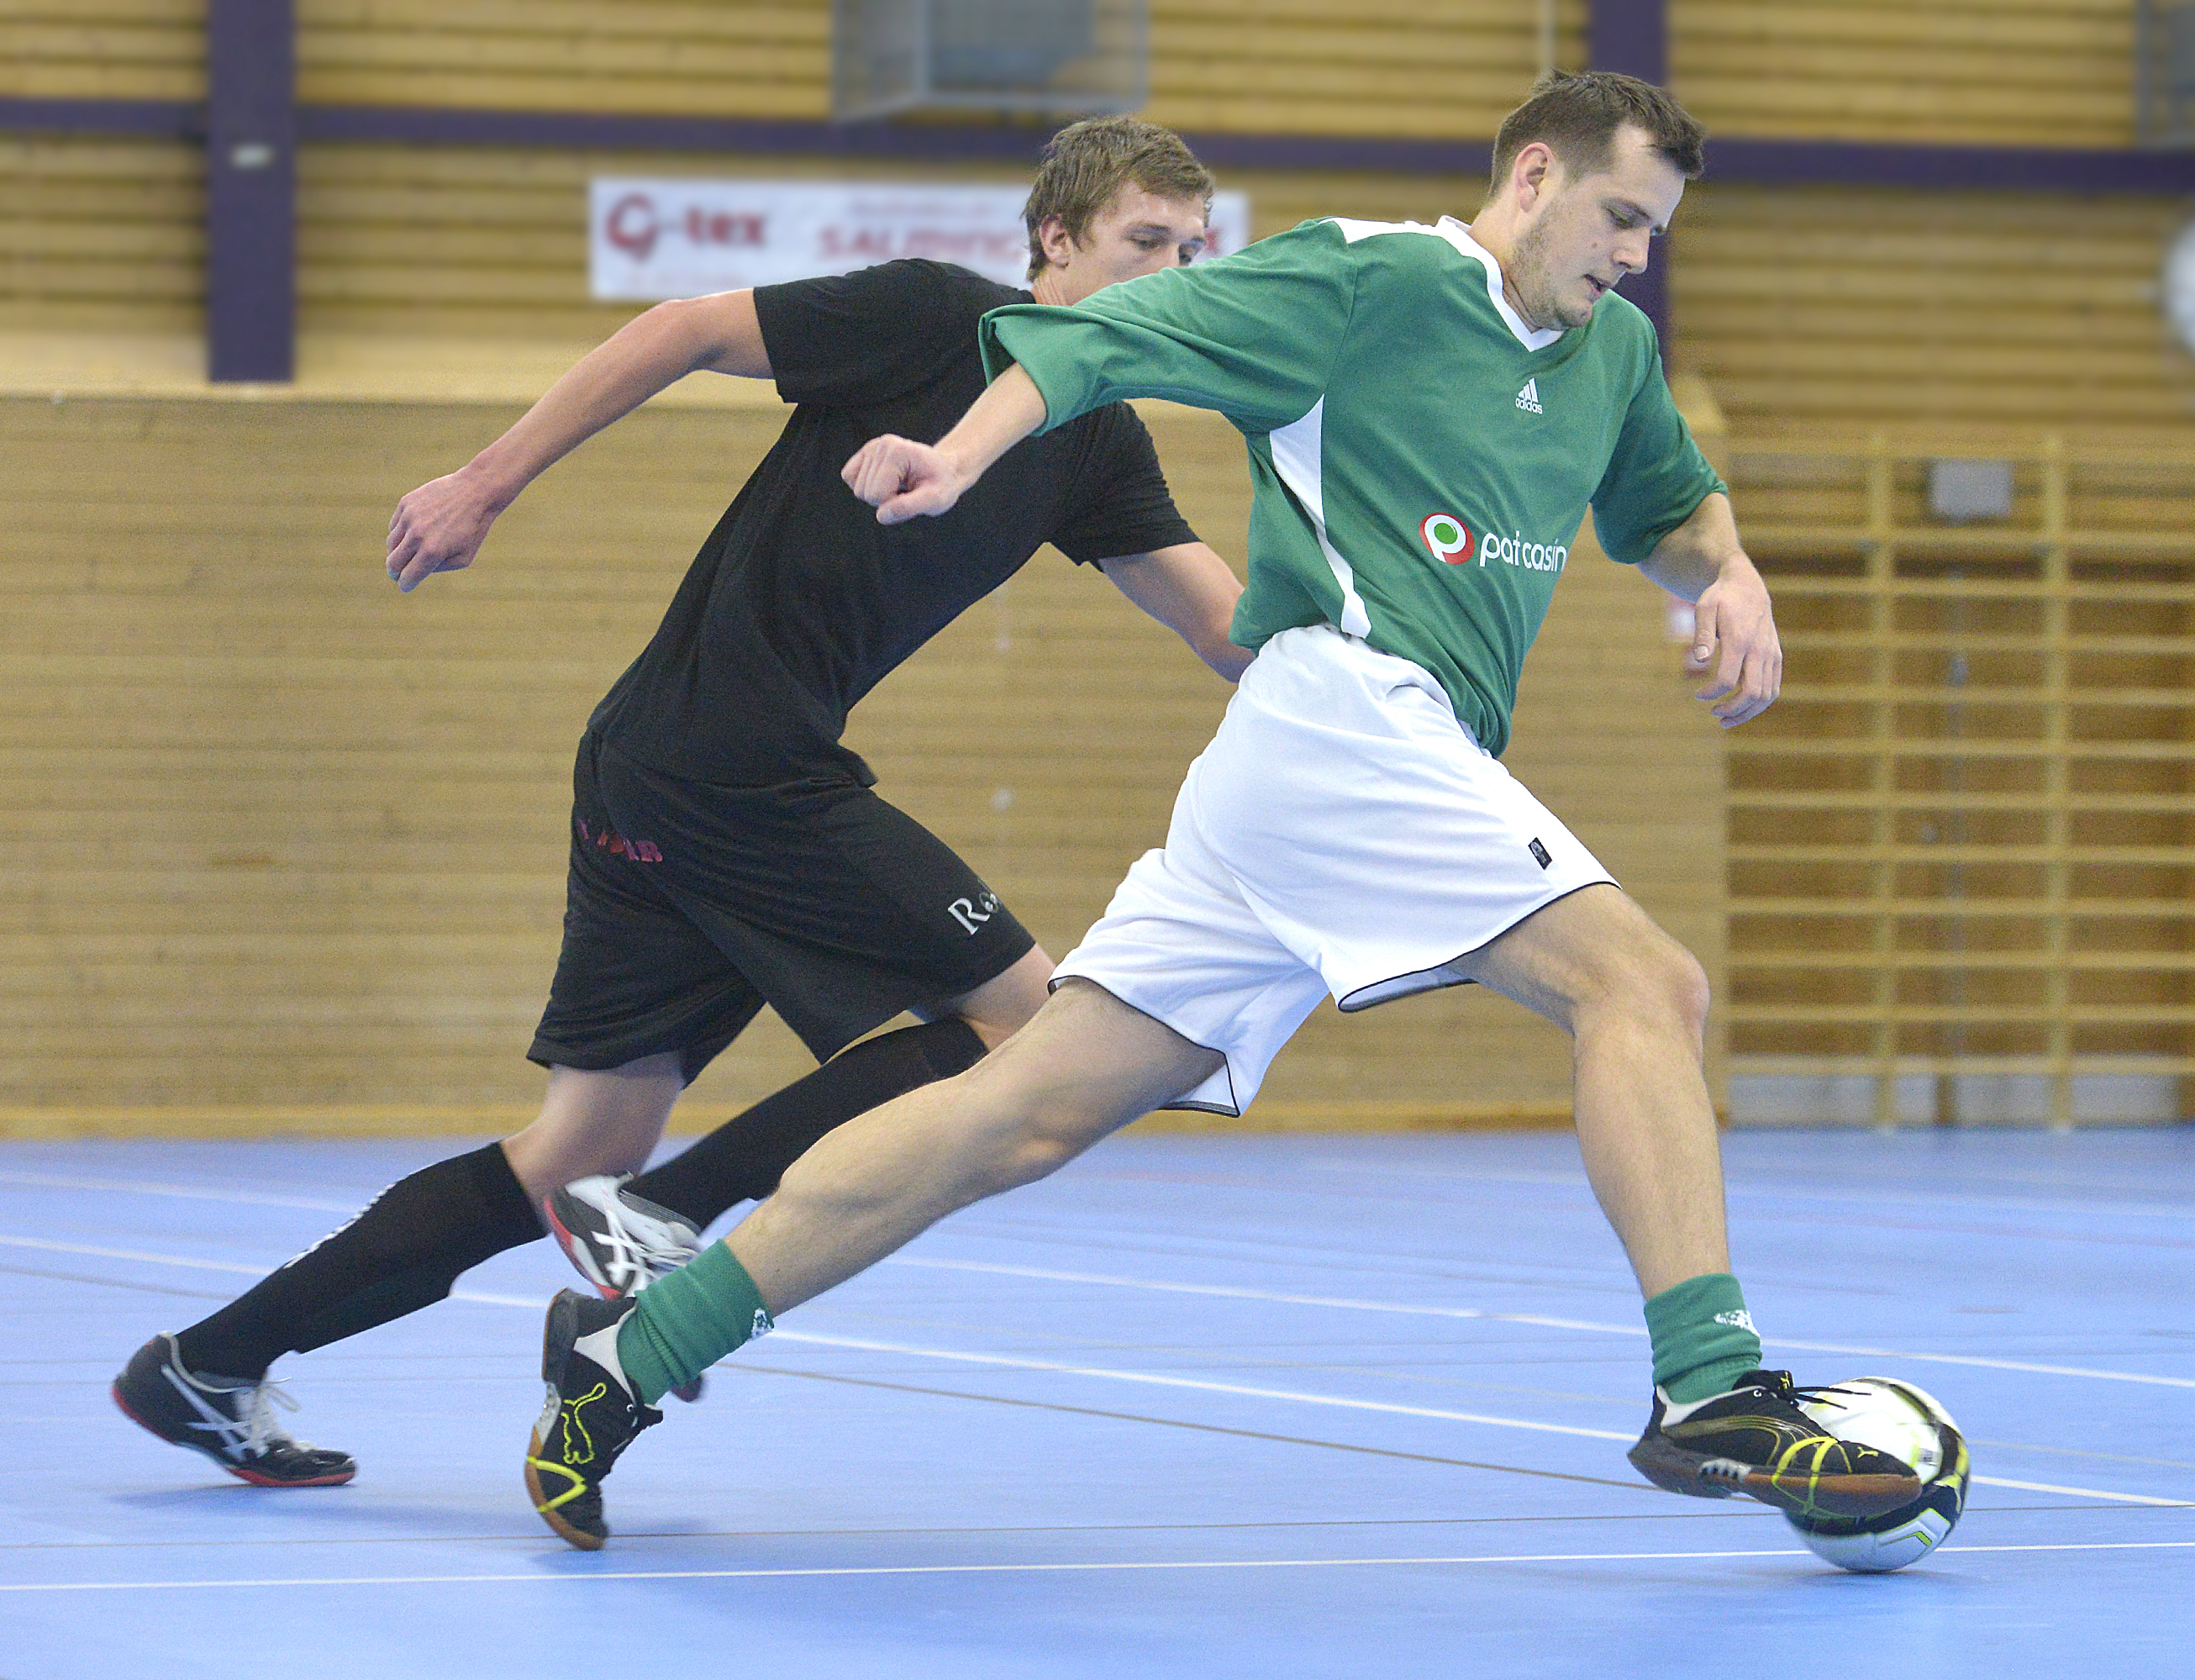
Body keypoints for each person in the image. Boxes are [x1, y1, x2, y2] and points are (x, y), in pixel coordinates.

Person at [520, 70, 1934, 1553]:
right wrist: (957, 453)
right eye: (1620, 215)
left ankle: (630, 1354)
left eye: (1655, 230)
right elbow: (1099, 334)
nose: (1634, 251)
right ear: (1532, 174)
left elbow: (1665, 508)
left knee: (1012, 1120)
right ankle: (1708, 1386)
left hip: (1301, 784)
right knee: (1643, 983)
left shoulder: (1614, 350)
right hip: (1350, 714)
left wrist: (1732, 573)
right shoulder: (1367, 280)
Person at [111, 117, 1250, 1488]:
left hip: (653, 766)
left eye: (1193, 252)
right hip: (735, 765)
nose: (1172, 273)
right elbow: (683, 329)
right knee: (1019, 1027)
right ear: (1055, 240)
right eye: (1143, 244)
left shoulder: (1099, 437)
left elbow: (1219, 627)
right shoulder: (935, 318)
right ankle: (661, 1216)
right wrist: (486, 480)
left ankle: (209, 1361)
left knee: (569, 1152)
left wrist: (1388, 676)